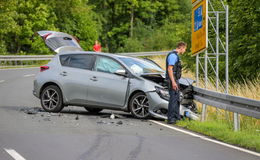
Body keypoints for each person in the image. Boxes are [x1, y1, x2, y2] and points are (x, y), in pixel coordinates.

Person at [166, 41, 187, 124]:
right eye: (185, 49)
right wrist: (173, 82)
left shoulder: (176, 56)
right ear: (181, 47)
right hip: (172, 80)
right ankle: (171, 118)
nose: (185, 51)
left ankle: (176, 117)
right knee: (173, 99)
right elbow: (170, 69)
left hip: (174, 79)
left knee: (176, 99)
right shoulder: (173, 56)